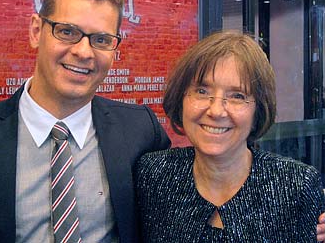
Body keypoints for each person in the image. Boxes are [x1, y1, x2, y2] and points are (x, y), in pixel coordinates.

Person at [0, 0, 170, 242]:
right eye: (67, 32)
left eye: (101, 40)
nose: (83, 52)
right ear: (35, 31)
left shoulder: (141, 130)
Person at [136, 31, 325, 242]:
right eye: (201, 91)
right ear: (181, 100)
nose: (216, 111)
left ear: (258, 111)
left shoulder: (296, 186)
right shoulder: (153, 175)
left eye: (237, 96)